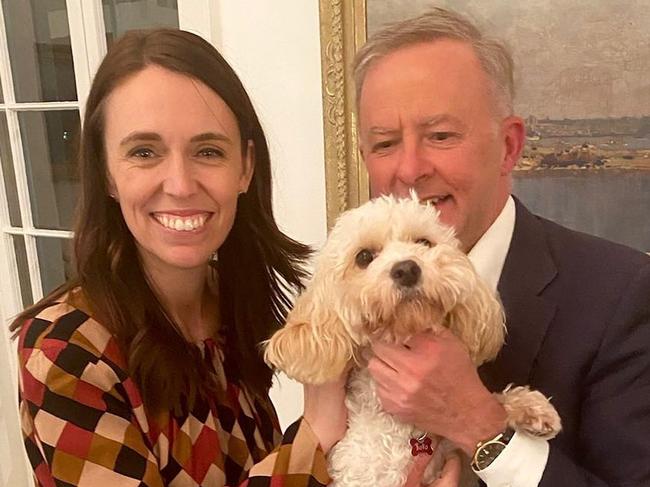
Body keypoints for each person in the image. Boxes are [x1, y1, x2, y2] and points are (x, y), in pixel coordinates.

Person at [11, 29, 348, 487]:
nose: (181, 184)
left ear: (245, 168)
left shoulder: (233, 302)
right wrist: (318, 431)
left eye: (208, 151)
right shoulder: (66, 350)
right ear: (106, 174)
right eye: (144, 152)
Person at [354, 7, 650, 487]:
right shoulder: (353, 294)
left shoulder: (624, 295)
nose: (408, 170)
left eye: (441, 136)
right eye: (385, 143)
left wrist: (480, 424)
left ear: (509, 146)